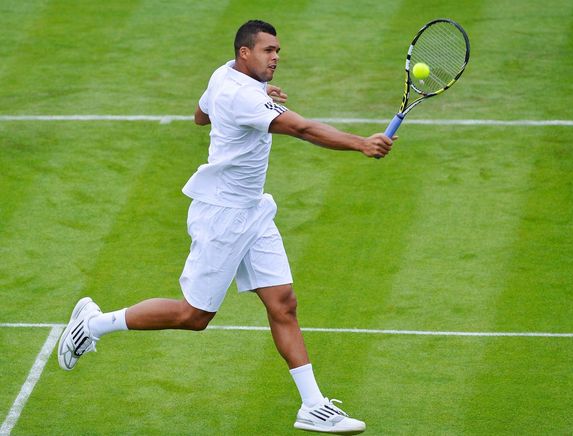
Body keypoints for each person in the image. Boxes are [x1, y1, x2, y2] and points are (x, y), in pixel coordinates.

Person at [57, 19, 393, 434]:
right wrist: (361, 143)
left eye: (278, 51)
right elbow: (302, 129)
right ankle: (91, 324)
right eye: (268, 51)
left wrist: (258, 93)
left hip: (253, 211)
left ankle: (313, 405)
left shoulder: (224, 76)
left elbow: (200, 116)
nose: (275, 58)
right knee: (193, 315)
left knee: (283, 303)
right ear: (244, 53)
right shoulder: (240, 94)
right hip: (222, 217)